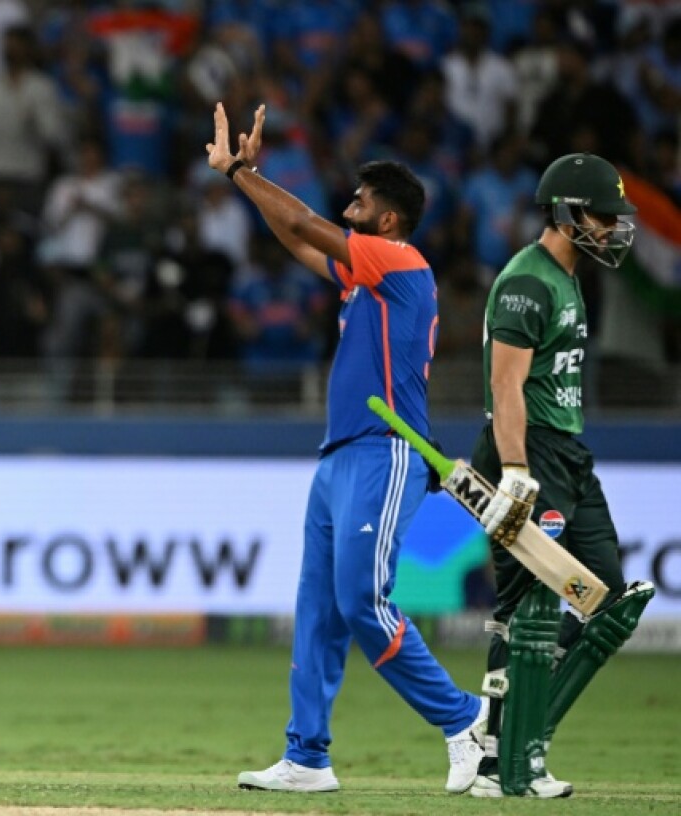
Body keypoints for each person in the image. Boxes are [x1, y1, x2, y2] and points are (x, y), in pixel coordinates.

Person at [205, 103, 487, 793]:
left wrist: (242, 171)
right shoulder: (366, 276)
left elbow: (305, 227)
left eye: (359, 201)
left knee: (363, 601)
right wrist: (248, 181)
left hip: (384, 450)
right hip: (339, 456)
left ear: (386, 221)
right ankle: (307, 756)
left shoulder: (399, 260)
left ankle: (466, 722)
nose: (347, 205)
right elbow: (297, 242)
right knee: (320, 613)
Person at [468, 152, 654, 798]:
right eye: (604, 216)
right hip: (529, 452)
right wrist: (516, 471)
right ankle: (496, 755)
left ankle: (525, 736)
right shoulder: (528, 281)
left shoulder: (568, 277)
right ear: (569, 211)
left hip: (567, 452)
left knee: (602, 591)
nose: (611, 228)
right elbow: (505, 384)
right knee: (523, 608)